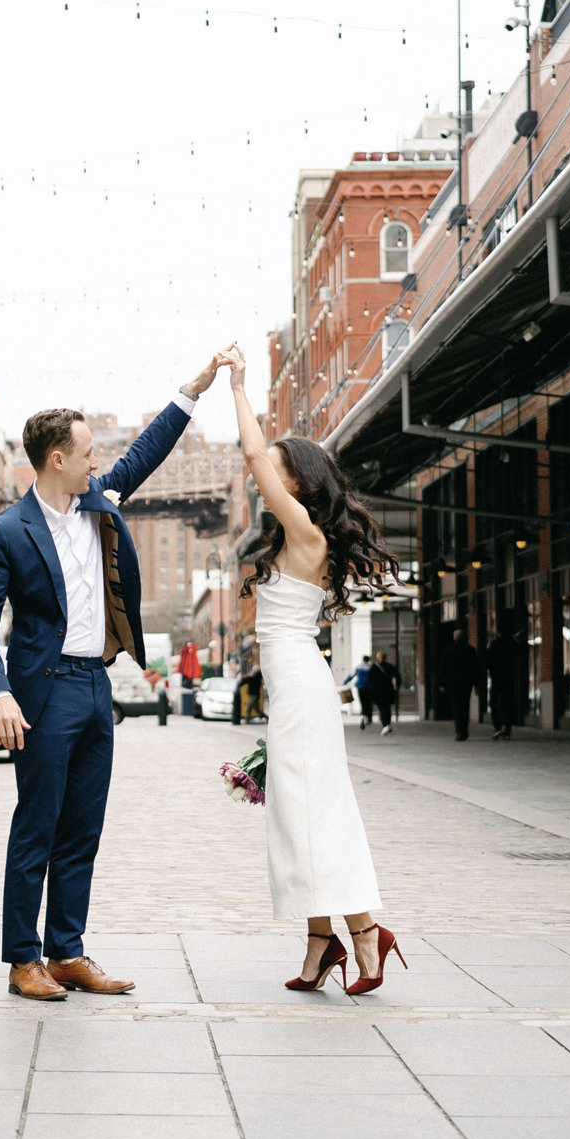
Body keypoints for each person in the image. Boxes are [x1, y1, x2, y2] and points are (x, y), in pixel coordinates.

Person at [0, 351, 229, 1002]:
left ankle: (68, 949)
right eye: (86, 451)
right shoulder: (6, 531)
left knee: (83, 826)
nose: (96, 460)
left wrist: (191, 390)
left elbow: (147, 452)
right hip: (41, 691)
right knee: (38, 824)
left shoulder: (98, 503)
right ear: (57, 458)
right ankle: (24, 960)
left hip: (94, 687)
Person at [220, 341, 405, 996]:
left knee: (313, 815)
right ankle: (321, 944)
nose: (258, 476)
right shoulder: (292, 535)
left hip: (300, 684)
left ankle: (362, 936)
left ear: (294, 481)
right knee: (298, 815)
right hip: (294, 686)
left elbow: (249, 454)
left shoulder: (304, 529)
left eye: (272, 470)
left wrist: (238, 387)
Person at [441, 627, 484, 742]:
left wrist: (442, 683)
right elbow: (476, 668)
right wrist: (477, 685)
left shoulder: (448, 650)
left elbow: (443, 668)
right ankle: (464, 730)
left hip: (453, 683)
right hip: (466, 683)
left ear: (454, 638)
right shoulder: (470, 650)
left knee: (456, 707)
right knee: (465, 706)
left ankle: (459, 731)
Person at [486, 616, 525, 741]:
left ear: (498, 632)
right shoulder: (513, 643)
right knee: (508, 703)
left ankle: (497, 728)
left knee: (493, 702)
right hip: (509, 677)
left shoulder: (494, 644)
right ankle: (507, 731)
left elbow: (488, 661)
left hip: (497, 678)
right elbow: (520, 655)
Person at [367, 649, 399, 735]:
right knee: (387, 708)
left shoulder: (374, 668)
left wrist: (371, 691)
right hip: (388, 691)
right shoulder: (389, 666)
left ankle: (385, 725)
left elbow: (369, 681)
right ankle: (387, 724)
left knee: (382, 708)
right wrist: (397, 688)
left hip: (378, 692)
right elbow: (398, 676)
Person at [353, 656, 373, 729]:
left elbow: (351, 675)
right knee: (368, 702)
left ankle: (363, 716)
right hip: (368, 687)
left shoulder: (358, 667)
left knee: (363, 702)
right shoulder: (370, 668)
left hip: (360, 687)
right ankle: (368, 717)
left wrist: (344, 682)